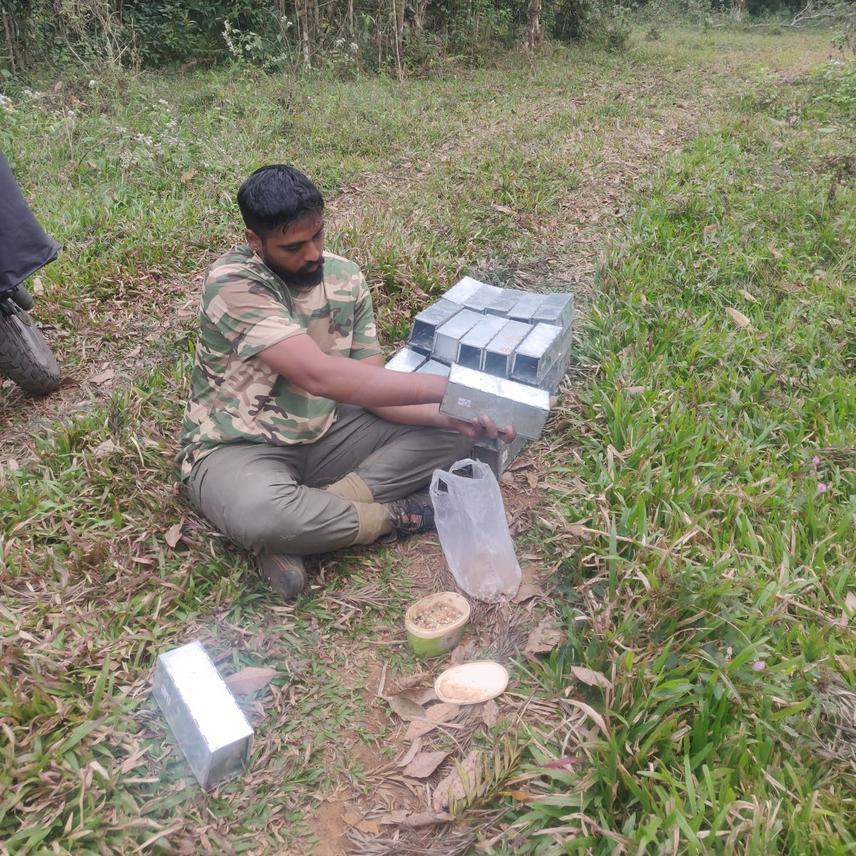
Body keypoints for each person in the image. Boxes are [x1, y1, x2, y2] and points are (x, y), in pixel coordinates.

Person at [178, 164, 514, 600]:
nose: (313, 253)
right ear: (254, 242)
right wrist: (448, 386)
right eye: (293, 246)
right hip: (240, 445)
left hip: (329, 431)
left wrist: (455, 413)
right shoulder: (235, 282)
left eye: (318, 235)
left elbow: (374, 387)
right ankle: (398, 516)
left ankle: (309, 526)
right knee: (263, 514)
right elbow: (319, 375)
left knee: (452, 433)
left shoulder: (344, 277)